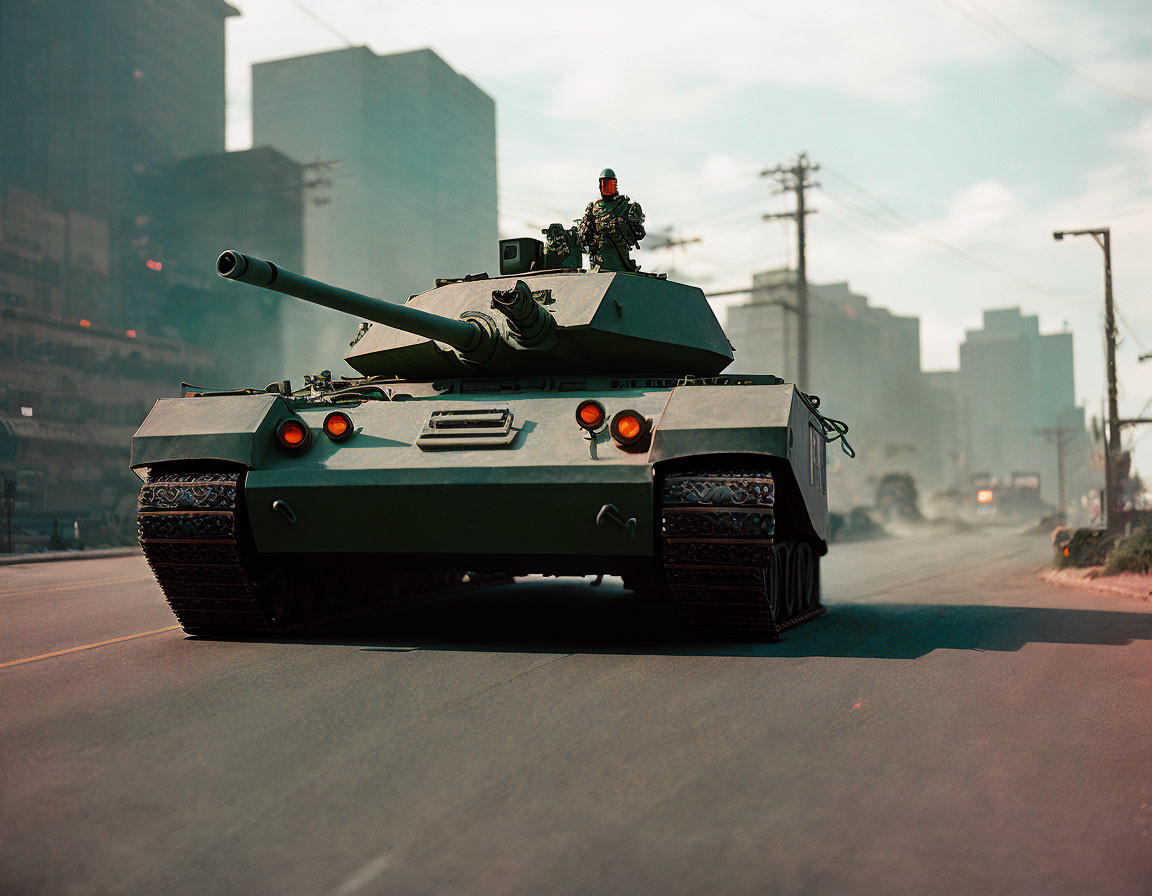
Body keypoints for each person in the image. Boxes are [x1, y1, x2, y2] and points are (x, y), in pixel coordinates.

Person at [577, 168, 646, 272]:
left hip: (621, 261)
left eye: (610, 184)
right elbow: (582, 240)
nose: (607, 188)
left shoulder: (624, 207)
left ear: (615, 185)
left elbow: (639, 235)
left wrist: (634, 222)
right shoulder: (593, 209)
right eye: (605, 184)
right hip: (599, 263)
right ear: (600, 186)